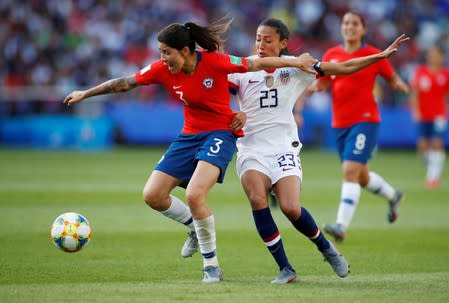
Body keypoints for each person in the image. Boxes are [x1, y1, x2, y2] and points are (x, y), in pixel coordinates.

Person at [63, 18, 318, 283]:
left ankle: (211, 267)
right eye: (160, 52)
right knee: (153, 195)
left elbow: (258, 63)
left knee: (196, 195)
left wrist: (296, 61)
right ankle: (194, 228)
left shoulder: (214, 62)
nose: (163, 58)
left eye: (166, 52)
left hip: (221, 132)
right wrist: (86, 93)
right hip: (189, 136)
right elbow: (125, 83)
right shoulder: (162, 69)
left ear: (185, 51)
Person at [227, 18, 409, 283]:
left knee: (290, 207)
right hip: (251, 148)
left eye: (268, 40)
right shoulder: (243, 68)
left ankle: (326, 248)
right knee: (258, 199)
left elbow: (343, 67)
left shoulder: (298, 68)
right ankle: (286, 269)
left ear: (283, 43)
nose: (261, 44)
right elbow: (218, 95)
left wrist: (379, 56)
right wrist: (234, 113)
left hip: (282, 147)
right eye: (258, 38)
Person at [301, 12, 410, 242]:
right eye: (346, 23)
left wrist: (399, 84)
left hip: (366, 119)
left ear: (362, 29)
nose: (349, 27)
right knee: (361, 176)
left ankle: (341, 225)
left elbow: (390, 76)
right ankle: (393, 196)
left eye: (354, 24)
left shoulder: (372, 54)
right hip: (340, 123)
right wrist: (304, 88)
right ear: (341, 28)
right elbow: (321, 84)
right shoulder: (332, 54)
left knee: (350, 170)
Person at [409, 45, 449, 189]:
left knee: (437, 144)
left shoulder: (445, 74)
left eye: (437, 54)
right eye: (431, 54)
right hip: (423, 115)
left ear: (441, 57)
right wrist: (416, 111)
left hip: (439, 115)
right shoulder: (420, 72)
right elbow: (415, 93)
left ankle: (433, 178)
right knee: (423, 147)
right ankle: (433, 167)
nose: (434, 57)